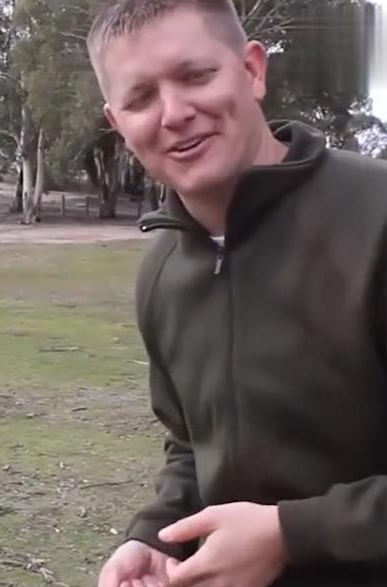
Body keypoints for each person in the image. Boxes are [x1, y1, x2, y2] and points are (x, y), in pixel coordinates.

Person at [87, 1, 387, 586]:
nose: (175, 112)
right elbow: (194, 446)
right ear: (117, 123)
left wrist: (293, 535)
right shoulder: (163, 273)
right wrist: (156, 535)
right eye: (141, 97)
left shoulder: (377, 220)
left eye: (196, 76)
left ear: (252, 71)